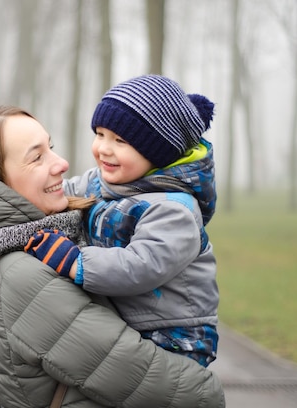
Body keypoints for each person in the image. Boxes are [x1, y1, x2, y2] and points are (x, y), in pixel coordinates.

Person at [0, 105, 225, 408]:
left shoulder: (32, 240)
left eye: (51, 148)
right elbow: (171, 391)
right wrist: (208, 393)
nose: (62, 163)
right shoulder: (22, 275)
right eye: (37, 157)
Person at [24, 75, 219, 367]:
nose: (103, 148)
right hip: (127, 322)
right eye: (100, 134)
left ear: (158, 153)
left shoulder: (175, 209)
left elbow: (140, 266)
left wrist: (75, 261)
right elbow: (59, 196)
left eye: (120, 140)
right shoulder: (100, 181)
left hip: (173, 337)